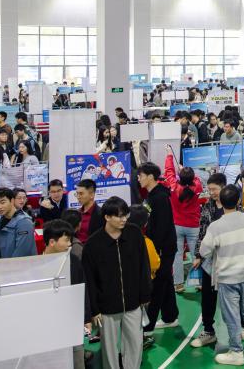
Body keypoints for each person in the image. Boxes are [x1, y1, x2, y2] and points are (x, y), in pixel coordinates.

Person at [82, 197, 152, 369]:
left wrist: (145, 294)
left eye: (125, 215)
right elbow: (89, 279)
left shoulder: (134, 234)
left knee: (135, 344)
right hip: (107, 307)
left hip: (133, 303)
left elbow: (144, 264)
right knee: (109, 349)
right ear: (107, 217)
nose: (124, 219)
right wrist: (94, 309)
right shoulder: (93, 244)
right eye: (119, 216)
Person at [199, 184, 244, 365]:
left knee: (232, 315)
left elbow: (204, 251)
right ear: (238, 201)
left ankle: (236, 351)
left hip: (227, 276)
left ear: (221, 200)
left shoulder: (216, 226)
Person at [136, 162, 179, 337]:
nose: (138, 178)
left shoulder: (160, 197)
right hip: (157, 246)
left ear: (150, 176)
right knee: (166, 281)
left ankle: (148, 326)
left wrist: (155, 249)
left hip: (162, 248)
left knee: (158, 285)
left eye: (141, 175)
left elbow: (162, 226)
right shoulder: (151, 195)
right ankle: (170, 316)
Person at [43, 219, 92, 369]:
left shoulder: (74, 261)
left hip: (72, 322)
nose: (70, 244)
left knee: (77, 360)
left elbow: (82, 288)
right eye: (66, 240)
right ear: (52, 242)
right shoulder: (37, 265)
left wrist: (86, 318)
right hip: (48, 326)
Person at [191, 172, 228, 350]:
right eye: (209, 189)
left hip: (229, 259)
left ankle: (241, 328)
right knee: (208, 296)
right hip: (210, 260)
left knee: (234, 297)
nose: (211, 192)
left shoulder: (235, 206)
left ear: (224, 187)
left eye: (214, 189)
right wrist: (198, 255)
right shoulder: (207, 207)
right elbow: (202, 231)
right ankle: (208, 330)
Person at [164, 153, 202, 292]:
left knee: (177, 255)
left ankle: (178, 284)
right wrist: (184, 171)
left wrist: (169, 156)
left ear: (180, 177)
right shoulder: (197, 186)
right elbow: (196, 179)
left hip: (177, 226)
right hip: (194, 226)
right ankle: (199, 283)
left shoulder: (173, 186)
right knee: (196, 254)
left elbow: (169, 172)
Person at [0, 187, 37, 258]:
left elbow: (22, 253)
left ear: (12, 201)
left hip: (16, 263)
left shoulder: (24, 222)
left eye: (2, 202)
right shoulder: (0, 218)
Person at [74, 178, 105, 244]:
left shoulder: (101, 214)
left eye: (81, 194)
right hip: (76, 248)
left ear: (92, 195)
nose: (78, 197)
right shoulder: (76, 213)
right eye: (77, 194)